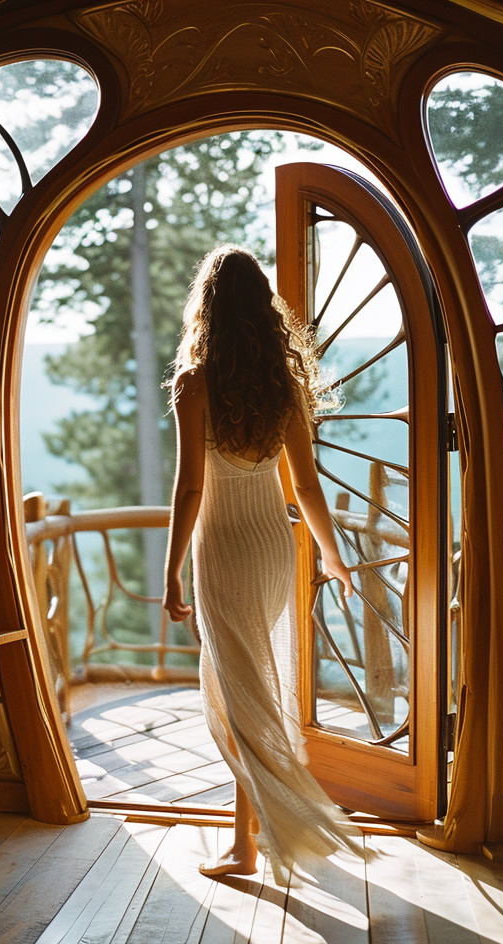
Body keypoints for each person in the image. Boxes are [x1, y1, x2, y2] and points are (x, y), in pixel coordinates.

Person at [162, 244, 367, 879]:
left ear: (208, 308)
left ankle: (254, 843)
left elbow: (190, 488)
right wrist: (334, 558)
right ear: (263, 308)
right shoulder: (283, 384)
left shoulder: (195, 384)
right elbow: (306, 487)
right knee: (244, 694)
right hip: (275, 551)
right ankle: (252, 840)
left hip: (223, 553)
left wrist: (170, 571)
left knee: (235, 696)